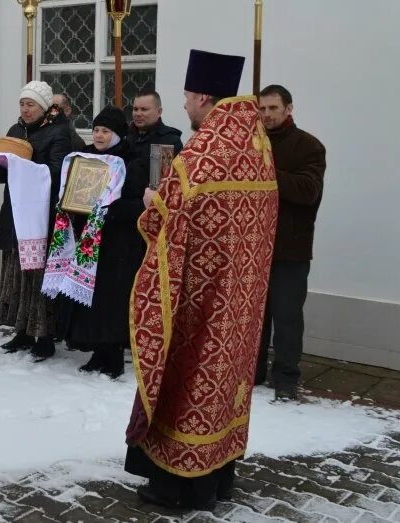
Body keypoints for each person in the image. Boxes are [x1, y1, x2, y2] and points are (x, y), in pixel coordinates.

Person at [125, 49, 278, 511]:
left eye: (189, 96)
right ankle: (219, 478)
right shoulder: (257, 146)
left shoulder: (205, 152)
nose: (186, 105)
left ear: (205, 96)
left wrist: (155, 200)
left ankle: (179, 489)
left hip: (202, 298)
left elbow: (168, 220)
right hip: (243, 298)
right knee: (227, 383)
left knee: (192, 380)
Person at [59, 106, 146, 378]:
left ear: (117, 134)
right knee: (93, 297)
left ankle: (114, 357)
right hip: (91, 239)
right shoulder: (87, 158)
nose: (98, 135)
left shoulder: (131, 161)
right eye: (96, 129)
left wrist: (108, 208)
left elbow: (138, 204)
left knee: (113, 299)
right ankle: (97, 351)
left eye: (105, 130)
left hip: (119, 241)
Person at [0, 81, 72, 360]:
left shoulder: (59, 132)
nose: (25, 109)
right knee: (17, 275)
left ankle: (45, 337)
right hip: (15, 213)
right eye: (22, 103)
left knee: (39, 277)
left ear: (44, 106)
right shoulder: (15, 131)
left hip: (40, 216)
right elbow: (5, 174)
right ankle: (22, 331)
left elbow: (57, 172)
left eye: (31, 104)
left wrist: (22, 167)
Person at [254, 85, 326, 401]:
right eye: (262, 108)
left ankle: (285, 377)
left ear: (288, 108)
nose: (267, 114)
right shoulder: (252, 143)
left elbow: (308, 190)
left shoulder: (309, 146)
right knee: (255, 318)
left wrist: (266, 171)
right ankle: (252, 372)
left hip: (290, 248)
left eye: (273, 108)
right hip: (254, 246)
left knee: (286, 317)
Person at [128, 90, 182, 183]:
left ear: (159, 111)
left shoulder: (169, 140)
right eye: (135, 109)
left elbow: (164, 184)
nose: (138, 114)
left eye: (144, 109)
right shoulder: (125, 137)